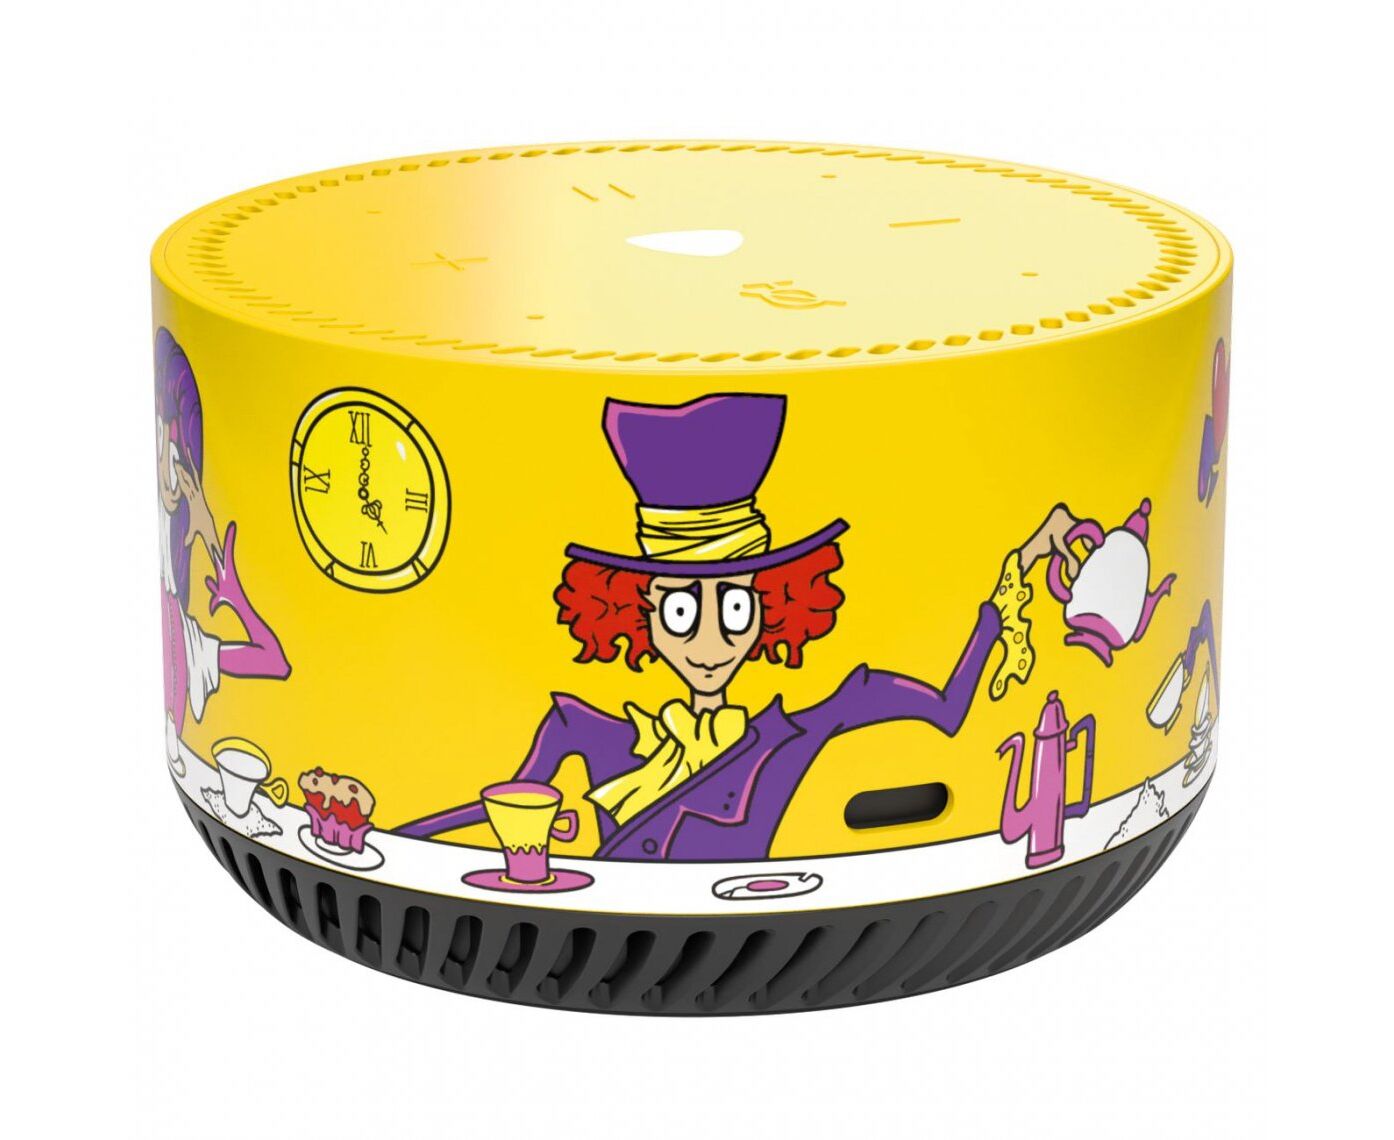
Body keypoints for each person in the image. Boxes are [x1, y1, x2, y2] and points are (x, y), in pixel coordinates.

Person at [397, 393, 1079, 860]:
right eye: (681, 613)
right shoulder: (586, 732)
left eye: (734, 611)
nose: (709, 643)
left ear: (774, 607)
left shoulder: (792, 737)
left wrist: (1017, 572)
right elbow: (508, 808)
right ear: (637, 612)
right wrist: (392, 843)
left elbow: (948, 709)